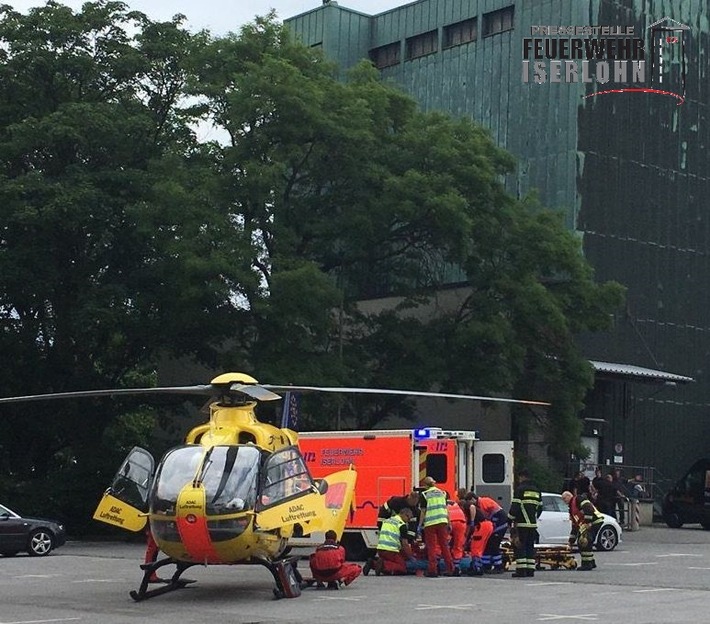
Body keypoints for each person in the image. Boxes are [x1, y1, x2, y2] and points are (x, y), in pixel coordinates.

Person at [418, 476, 457, 577]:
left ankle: (433, 570)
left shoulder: (424, 494)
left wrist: (420, 524)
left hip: (430, 523)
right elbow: (446, 509)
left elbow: (423, 511)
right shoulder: (442, 493)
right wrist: (449, 522)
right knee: (444, 545)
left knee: (431, 547)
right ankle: (450, 569)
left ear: (425, 485)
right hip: (442, 521)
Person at [508, 468, 542, 578]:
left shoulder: (520, 489)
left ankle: (521, 570)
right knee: (530, 546)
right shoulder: (536, 490)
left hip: (522, 524)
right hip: (532, 524)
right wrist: (533, 518)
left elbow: (515, 506)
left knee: (520, 546)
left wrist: (509, 518)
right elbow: (540, 508)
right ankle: (530, 570)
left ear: (522, 477)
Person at [561, 490, 605, 571]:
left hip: (594, 522)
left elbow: (588, 508)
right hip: (588, 524)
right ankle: (591, 562)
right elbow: (575, 527)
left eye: (564, 498)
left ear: (569, 496)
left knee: (584, 543)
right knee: (583, 542)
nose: (564, 501)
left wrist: (588, 522)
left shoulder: (578, 499)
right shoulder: (571, 509)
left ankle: (587, 564)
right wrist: (571, 541)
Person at [367, 508, 418, 575]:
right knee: (402, 567)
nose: (408, 521)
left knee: (392, 563)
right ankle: (382, 565)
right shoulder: (401, 525)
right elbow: (405, 544)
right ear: (405, 515)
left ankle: (373, 564)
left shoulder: (387, 520)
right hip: (391, 551)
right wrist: (411, 556)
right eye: (409, 518)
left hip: (380, 550)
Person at [471, 492, 508, 573]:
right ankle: (486, 565)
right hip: (497, 523)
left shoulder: (483, 502)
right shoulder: (480, 503)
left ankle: (499, 566)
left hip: (500, 523)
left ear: (473, 499)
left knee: (494, 544)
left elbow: (491, 513)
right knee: (488, 544)